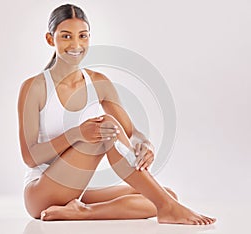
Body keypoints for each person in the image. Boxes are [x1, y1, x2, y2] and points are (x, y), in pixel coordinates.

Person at [18, 3, 216, 225]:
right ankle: (167, 209)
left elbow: (131, 133)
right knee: (107, 126)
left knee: (166, 194)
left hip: (78, 189)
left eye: (83, 36)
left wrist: (145, 145)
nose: (76, 44)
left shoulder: (99, 83)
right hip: (41, 193)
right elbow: (29, 157)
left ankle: (84, 212)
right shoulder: (34, 88)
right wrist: (77, 134)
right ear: (49, 39)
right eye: (66, 36)